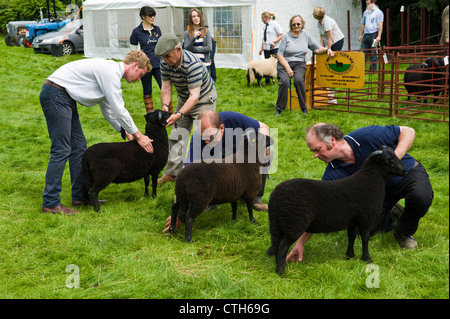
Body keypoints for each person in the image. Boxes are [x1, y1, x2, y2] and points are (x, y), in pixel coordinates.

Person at [286, 123, 434, 262]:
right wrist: (300, 243)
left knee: (420, 196)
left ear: (332, 141)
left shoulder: (367, 136)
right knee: (362, 228)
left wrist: (393, 159)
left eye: (317, 149)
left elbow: (408, 131)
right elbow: (319, 208)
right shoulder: (333, 173)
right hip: (377, 195)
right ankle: (393, 213)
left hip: (406, 175)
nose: (315, 156)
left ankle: (404, 231)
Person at [40, 50, 153, 215]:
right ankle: (50, 202)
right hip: (56, 94)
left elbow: (108, 109)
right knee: (62, 148)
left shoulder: (110, 73)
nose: (138, 79)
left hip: (63, 97)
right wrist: (139, 136)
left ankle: (80, 196)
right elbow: (119, 110)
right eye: (141, 74)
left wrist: (125, 131)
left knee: (78, 146)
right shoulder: (111, 72)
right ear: (135, 66)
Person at [162, 110, 272, 233]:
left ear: (222, 128)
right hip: (220, 175)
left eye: (210, 137)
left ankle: (254, 197)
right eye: (204, 137)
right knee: (203, 201)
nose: (207, 141)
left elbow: (263, 127)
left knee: (270, 150)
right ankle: (218, 199)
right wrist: (179, 214)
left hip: (241, 163)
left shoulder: (233, 119)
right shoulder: (199, 140)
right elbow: (185, 174)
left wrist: (265, 147)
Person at [155, 33, 217, 184]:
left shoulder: (192, 64)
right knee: (177, 136)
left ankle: (204, 176)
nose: (165, 60)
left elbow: (194, 96)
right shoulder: (166, 63)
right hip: (184, 99)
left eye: (167, 56)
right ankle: (172, 174)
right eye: (163, 57)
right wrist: (165, 106)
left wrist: (180, 113)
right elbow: (166, 86)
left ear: (178, 50)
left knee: (203, 137)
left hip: (203, 99)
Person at [275, 15, 333, 116]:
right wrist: (288, 69)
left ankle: (303, 108)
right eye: (294, 24)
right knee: (284, 81)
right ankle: (279, 109)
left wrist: (328, 49)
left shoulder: (306, 35)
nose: (296, 26)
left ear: (302, 25)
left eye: (298, 24)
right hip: (285, 63)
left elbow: (317, 49)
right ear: (291, 25)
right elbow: (279, 55)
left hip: (299, 63)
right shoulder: (286, 36)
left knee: (298, 80)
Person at [130, 6, 164, 114]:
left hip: (159, 64)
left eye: (153, 15)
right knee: (147, 90)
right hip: (145, 66)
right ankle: (150, 115)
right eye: (150, 15)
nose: (152, 17)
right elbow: (133, 50)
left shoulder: (157, 29)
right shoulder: (136, 31)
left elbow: (162, 46)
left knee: (164, 88)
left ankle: (168, 112)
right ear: (143, 16)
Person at [259, 12, 284, 85]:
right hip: (266, 48)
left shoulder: (275, 24)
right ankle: (267, 81)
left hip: (274, 48)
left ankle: (280, 80)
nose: (261, 20)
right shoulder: (265, 26)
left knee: (277, 64)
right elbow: (264, 38)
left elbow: (281, 34)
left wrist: (275, 41)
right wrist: (261, 48)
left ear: (266, 18)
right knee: (267, 65)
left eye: (262, 18)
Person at [358, 0, 383, 71]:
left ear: (373, 3)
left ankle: (374, 69)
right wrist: (360, 35)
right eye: (366, 3)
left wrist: (379, 36)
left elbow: (380, 25)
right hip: (366, 34)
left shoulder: (378, 12)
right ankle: (361, 69)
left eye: (368, 3)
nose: (367, 5)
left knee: (373, 52)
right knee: (363, 52)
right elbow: (363, 24)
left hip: (374, 34)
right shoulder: (365, 12)